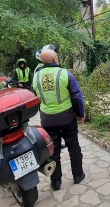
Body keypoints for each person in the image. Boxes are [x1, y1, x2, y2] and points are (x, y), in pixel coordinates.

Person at [32, 48, 85, 190]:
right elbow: (76, 96)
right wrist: (80, 114)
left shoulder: (36, 77)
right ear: (55, 59)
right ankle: (78, 176)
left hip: (48, 121)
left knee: (53, 151)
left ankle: (56, 182)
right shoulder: (64, 74)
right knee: (73, 146)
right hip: (67, 119)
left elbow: (36, 97)